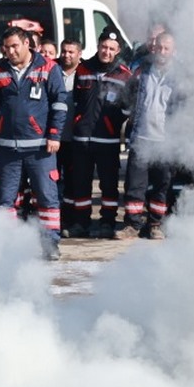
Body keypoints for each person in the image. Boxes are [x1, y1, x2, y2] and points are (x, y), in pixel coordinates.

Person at [0, 25, 68, 258]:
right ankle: (7, 244)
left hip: (40, 147)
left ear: (27, 44)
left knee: (46, 196)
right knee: (5, 199)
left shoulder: (49, 68)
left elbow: (59, 104)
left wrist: (54, 134)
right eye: (6, 47)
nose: (10, 51)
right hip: (8, 148)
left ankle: (50, 243)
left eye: (14, 46)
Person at [64, 30, 134, 238]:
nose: (107, 51)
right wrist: (79, 122)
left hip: (108, 140)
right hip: (82, 139)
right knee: (81, 182)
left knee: (109, 184)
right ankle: (81, 223)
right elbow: (77, 101)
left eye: (112, 49)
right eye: (104, 47)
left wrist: (113, 122)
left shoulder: (124, 74)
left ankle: (107, 223)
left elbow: (129, 108)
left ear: (118, 50)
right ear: (98, 46)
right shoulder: (83, 68)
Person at [121, 31, 178, 240]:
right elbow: (128, 97)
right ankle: (132, 225)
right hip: (141, 138)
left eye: (167, 48)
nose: (162, 52)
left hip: (165, 141)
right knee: (135, 185)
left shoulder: (179, 78)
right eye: (159, 47)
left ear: (174, 51)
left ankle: (155, 224)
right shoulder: (143, 70)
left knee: (162, 186)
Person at [51, 38, 85, 235]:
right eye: (64, 51)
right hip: (54, 138)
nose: (67, 55)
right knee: (53, 181)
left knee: (74, 181)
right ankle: (56, 220)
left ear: (79, 54)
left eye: (71, 52)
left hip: (75, 138)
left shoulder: (85, 73)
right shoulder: (52, 70)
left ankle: (73, 221)